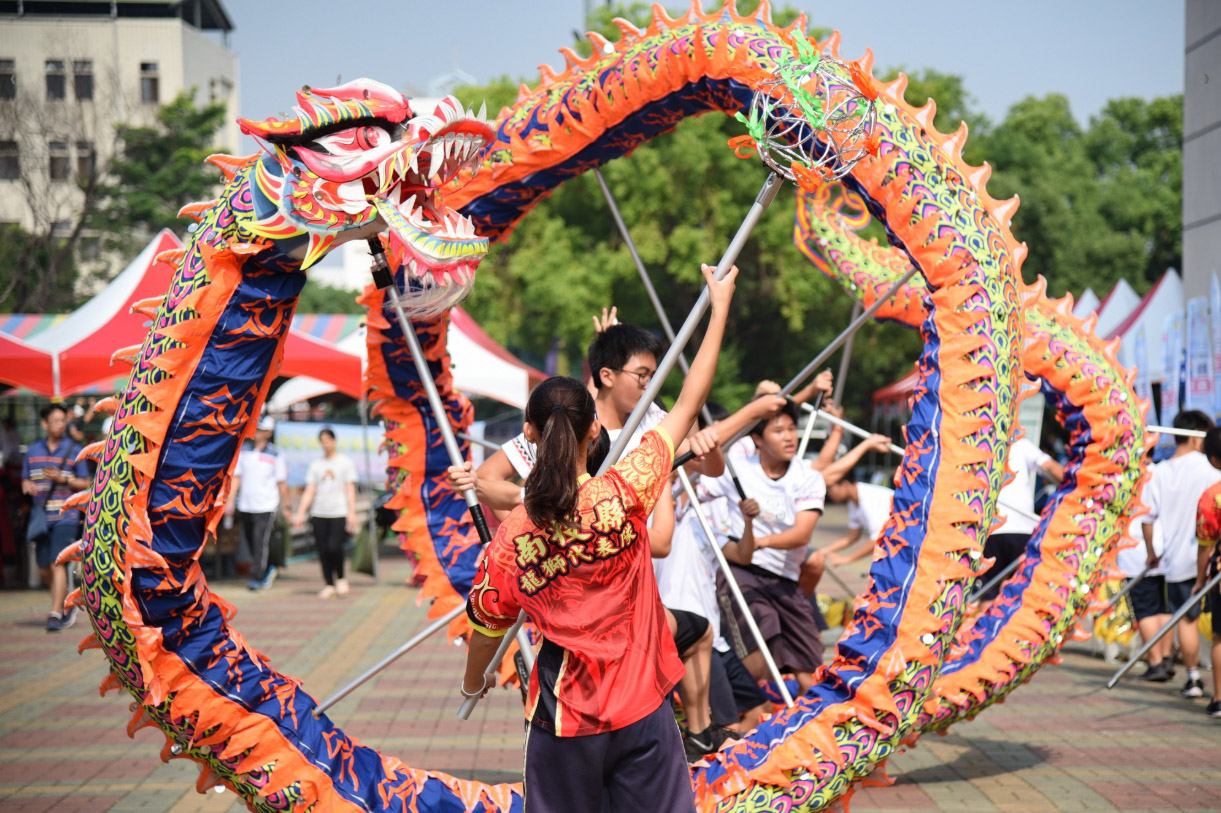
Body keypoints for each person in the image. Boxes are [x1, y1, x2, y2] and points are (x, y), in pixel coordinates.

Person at [459, 263, 735, 812]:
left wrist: (473, 685)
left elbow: (485, 629)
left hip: (566, 721)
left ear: (530, 435)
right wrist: (719, 305)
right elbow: (688, 402)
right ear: (595, 432)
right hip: (644, 709)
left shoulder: (511, 542)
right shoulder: (628, 489)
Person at [700, 398, 826, 694]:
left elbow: (800, 536)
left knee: (810, 665)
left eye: (792, 429)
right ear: (757, 439)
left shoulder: (808, 478)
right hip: (742, 573)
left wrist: (758, 542)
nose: (789, 437)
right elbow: (695, 488)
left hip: (785, 578)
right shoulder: (738, 468)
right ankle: (746, 704)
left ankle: (821, 724)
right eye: (778, 430)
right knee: (763, 631)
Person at [1140, 410, 1219, 694]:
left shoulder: (1158, 472)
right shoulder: (1211, 468)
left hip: (1177, 560)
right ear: (1199, 434)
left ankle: (1194, 678)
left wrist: (1152, 553)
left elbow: (1147, 519)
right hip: (1211, 559)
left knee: (1186, 619)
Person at [21, 403, 90, 631]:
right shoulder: (32, 451)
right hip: (41, 516)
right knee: (43, 567)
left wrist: (64, 479)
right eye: (57, 421)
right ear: (45, 423)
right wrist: (27, 485)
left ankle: (55, 613)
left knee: (56, 561)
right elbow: (25, 479)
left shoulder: (74, 449)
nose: (62, 425)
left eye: (64, 421)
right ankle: (64, 603)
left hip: (66, 516)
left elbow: (87, 484)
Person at [976, 435, 1064, 610]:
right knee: (1022, 595)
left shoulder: (980, 445)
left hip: (990, 530)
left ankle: (982, 635)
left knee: (988, 595)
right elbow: (1052, 468)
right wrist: (1072, 489)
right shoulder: (1021, 445)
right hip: (1021, 530)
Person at [292, 427, 359, 599]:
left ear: (334, 441)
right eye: (323, 441)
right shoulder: (317, 465)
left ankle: (342, 578)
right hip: (319, 512)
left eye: (329, 440)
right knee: (322, 549)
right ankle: (329, 583)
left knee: (334, 546)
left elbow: (350, 489)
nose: (326, 444)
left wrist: (352, 513)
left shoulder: (345, 462)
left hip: (338, 511)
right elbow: (310, 490)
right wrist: (300, 513)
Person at [226, 416, 290, 591]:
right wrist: (231, 500)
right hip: (246, 505)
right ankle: (268, 568)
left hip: (266, 505)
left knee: (259, 540)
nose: (257, 432)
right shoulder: (244, 451)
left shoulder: (275, 454)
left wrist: (287, 506)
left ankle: (257, 576)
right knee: (250, 540)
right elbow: (236, 478)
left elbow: (281, 482)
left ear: (268, 433)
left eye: (261, 430)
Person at [1193, 426, 1221, 717]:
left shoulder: (1212, 496)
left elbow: (1206, 545)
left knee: (1220, 637)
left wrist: (1200, 580)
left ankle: (1220, 699)